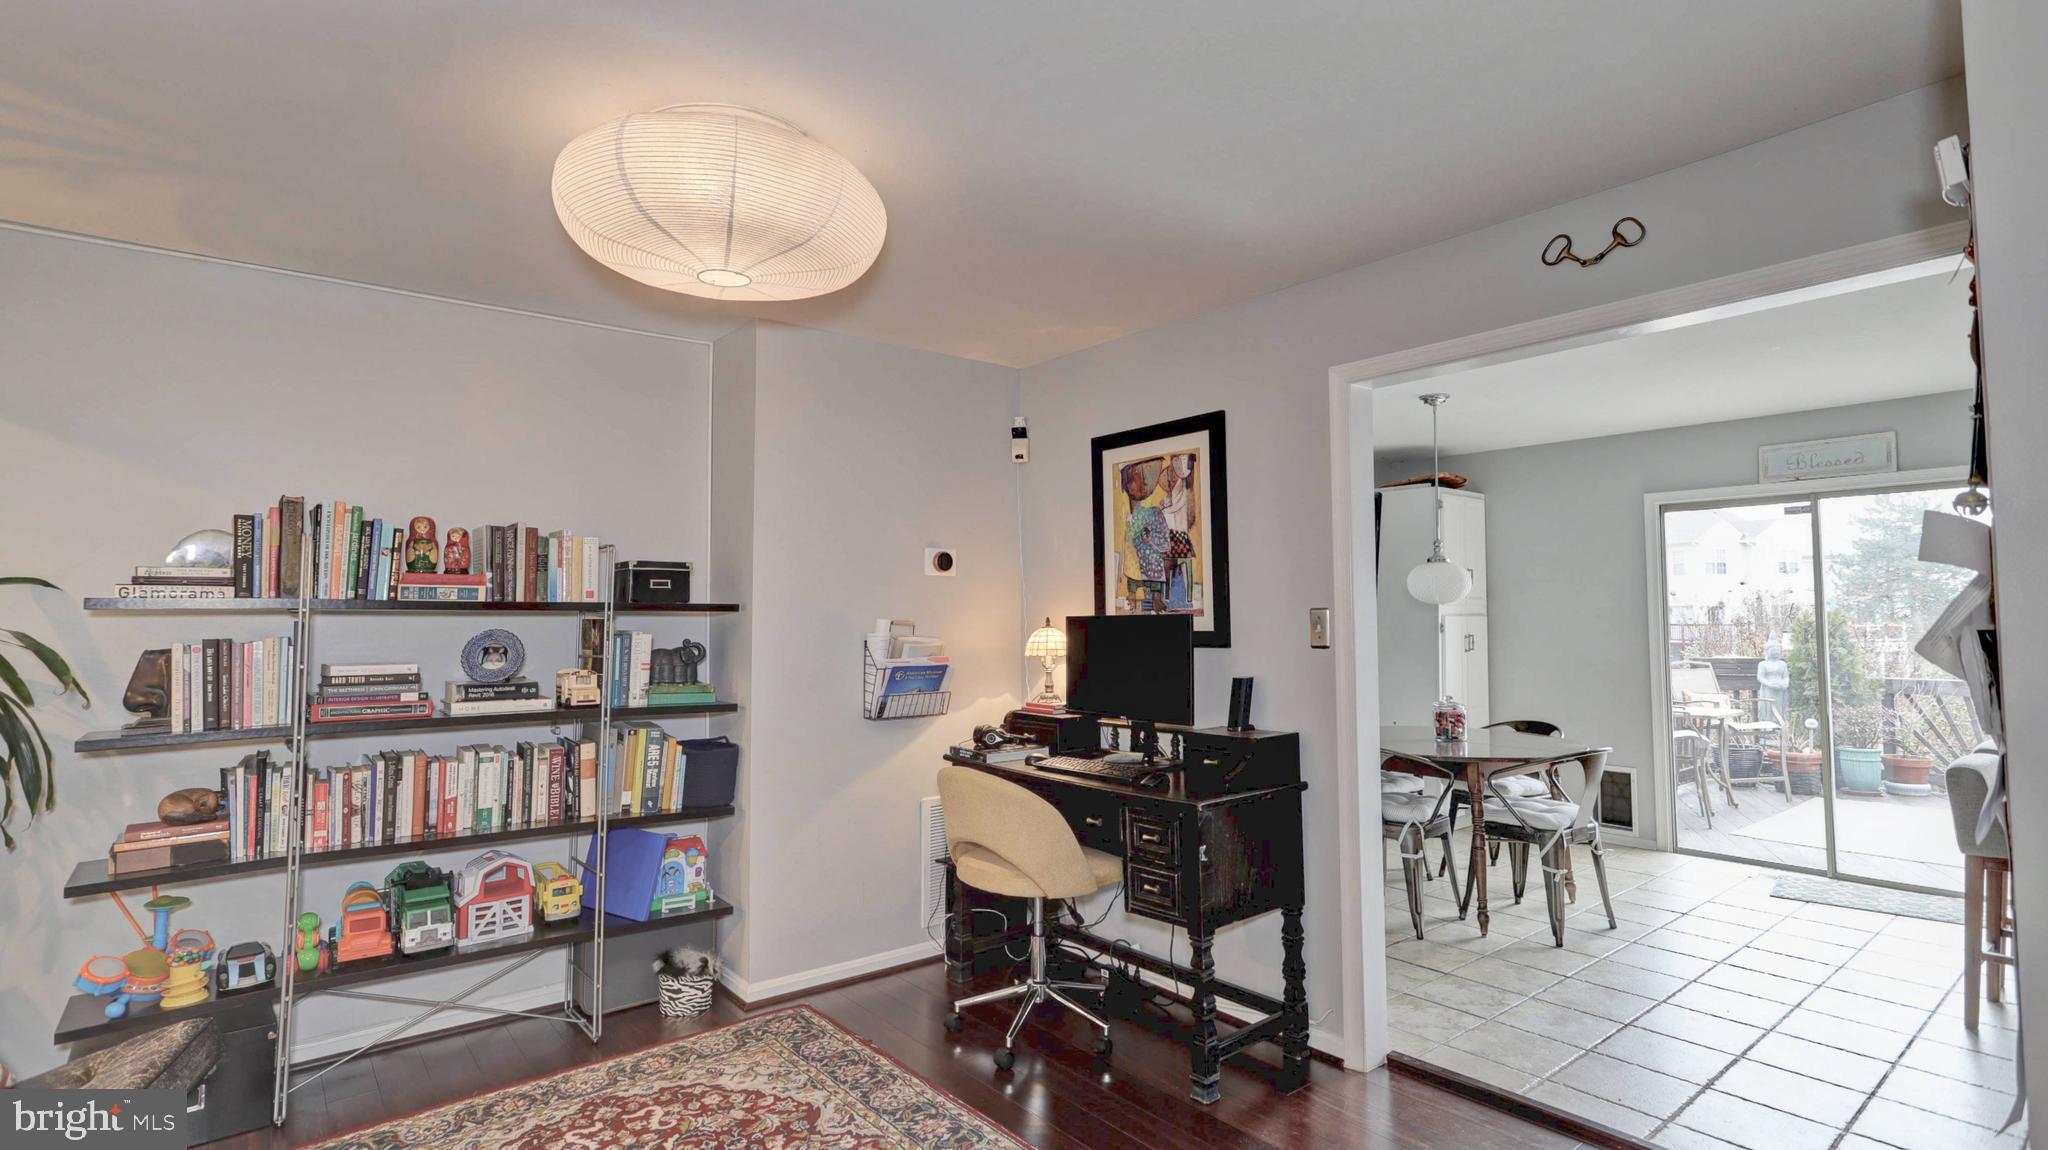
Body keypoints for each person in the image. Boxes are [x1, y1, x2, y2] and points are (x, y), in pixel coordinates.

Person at [1756, 639, 1790, 724]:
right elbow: (1760, 677)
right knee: (1768, 707)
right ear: (1768, 651)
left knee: (1779, 708)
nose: (1776, 652)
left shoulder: (1783, 664)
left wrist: (1785, 683)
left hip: (1780, 689)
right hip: (1767, 690)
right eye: (1774, 650)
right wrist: (1769, 684)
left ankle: (1778, 725)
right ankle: (1768, 725)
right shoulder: (1763, 664)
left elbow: (1786, 677)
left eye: (1778, 650)